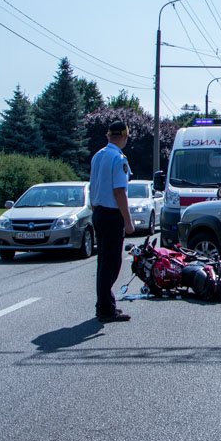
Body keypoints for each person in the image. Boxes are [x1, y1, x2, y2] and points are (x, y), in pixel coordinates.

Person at [89, 120, 135, 322]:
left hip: (98, 212)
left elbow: (94, 185)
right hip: (111, 215)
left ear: (108, 135)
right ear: (124, 137)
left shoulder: (98, 156)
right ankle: (105, 308)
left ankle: (105, 304)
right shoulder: (118, 159)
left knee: (103, 262)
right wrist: (128, 220)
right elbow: (119, 191)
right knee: (112, 263)